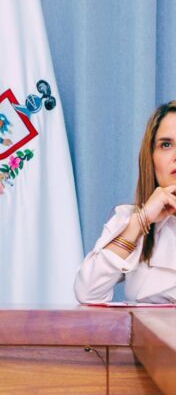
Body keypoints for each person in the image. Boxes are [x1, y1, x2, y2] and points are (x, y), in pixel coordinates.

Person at [74, 101, 176, 304]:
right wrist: (140, 221)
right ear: (151, 157)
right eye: (166, 145)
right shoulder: (131, 220)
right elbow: (87, 293)